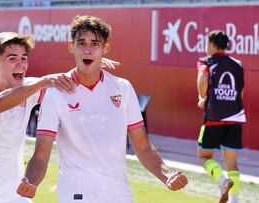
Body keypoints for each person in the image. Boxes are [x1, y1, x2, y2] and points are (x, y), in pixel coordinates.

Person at [17, 15, 188, 202]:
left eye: (95, 44)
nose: (87, 50)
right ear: (71, 47)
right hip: (76, 194)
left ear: (106, 48)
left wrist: (166, 176)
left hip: (119, 194)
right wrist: (31, 182)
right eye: (81, 43)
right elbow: (41, 155)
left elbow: (143, 147)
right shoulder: (55, 94)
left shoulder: (122, 88)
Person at [0, 31, 117, 203]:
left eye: (24, 58)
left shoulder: (29, 88)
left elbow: (67, 85)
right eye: (12, 59)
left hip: (15, 193)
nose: (21, 64)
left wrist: (89, 68)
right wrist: (43, 82)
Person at [196, 30, 246, 203]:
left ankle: (222, 181)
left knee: (204, 156)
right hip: (235, 117)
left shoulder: (208, 62)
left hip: (214, 117)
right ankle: (235, 201)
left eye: (206, 43)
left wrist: (202, 97)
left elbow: (203, 78)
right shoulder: (238, 64)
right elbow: (241, 91)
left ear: (213, 44)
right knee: (232, 162)